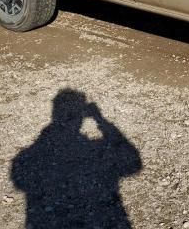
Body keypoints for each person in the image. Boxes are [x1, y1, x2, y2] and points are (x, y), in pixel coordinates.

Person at [11, 89, 142, 229]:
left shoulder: (26, 156)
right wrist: (100, 119)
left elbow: (20, 181)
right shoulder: (95, 148)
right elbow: (133, 162)